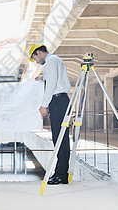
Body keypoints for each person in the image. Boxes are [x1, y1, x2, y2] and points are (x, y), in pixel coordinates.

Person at [29, 44, 71, 185]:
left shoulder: (50, 62)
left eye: (35, 58)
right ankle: (60, 172)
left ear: (39, 52)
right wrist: (43, 77)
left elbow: (52, 85)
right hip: (60, 100)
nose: (36, 62)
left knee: (59, 138)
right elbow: (53, 79)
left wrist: (43, 105)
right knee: (60, 138)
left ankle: (61, 174)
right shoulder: (54, 61)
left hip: (58, 101)